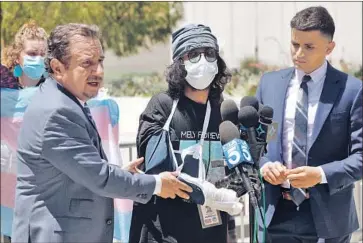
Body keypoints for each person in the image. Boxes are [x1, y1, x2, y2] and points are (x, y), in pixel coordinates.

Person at [11, 23, 192, 243]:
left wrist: (120, 173)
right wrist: (158, 185)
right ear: (58, 68)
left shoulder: (65, 99)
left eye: (100, 62)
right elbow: (99, 178)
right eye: (87, 63)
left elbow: (78, 170)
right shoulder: (57, 111)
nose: (98, 71)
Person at [256, 6, 362, 243]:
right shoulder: (269, 85)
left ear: (329, 48)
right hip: (274, 214)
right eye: (295, 44)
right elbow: (256, 142)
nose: (298, 53)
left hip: (327, 219)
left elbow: (361, 157)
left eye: (309, 46)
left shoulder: (352, 91)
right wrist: (265, 166)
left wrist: (320, 174)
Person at [129, 24, 236, 243]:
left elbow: (235, 175)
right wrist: (203, 192)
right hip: (165, 232)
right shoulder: (163, 106)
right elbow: (155, 171)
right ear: (180, 62)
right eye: (193, 54)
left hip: (212, 232)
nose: (203, 60)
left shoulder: (222, 111)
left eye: (209, 53)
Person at [1, 21, 48, 89]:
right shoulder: (6, 87)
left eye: (43, 54)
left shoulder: (53, 88)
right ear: (17, 56)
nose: (38, 59)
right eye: (32, 53)